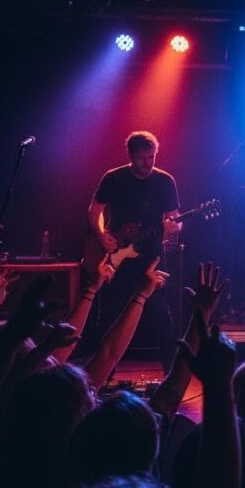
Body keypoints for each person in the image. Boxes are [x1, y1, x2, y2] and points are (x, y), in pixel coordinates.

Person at [80, 131, 181, 371]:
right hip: (117, 260)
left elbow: (177, 220)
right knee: (110, 317)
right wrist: (101, 235)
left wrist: (173, 228)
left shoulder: (165, 181)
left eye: (152, 157)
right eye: (142, 158)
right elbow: (95, 210)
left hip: (151, 261)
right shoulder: (114, 178)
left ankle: (171, 380)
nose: (148, 163)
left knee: (162, 319)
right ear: (131, 156)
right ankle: (102, 377)